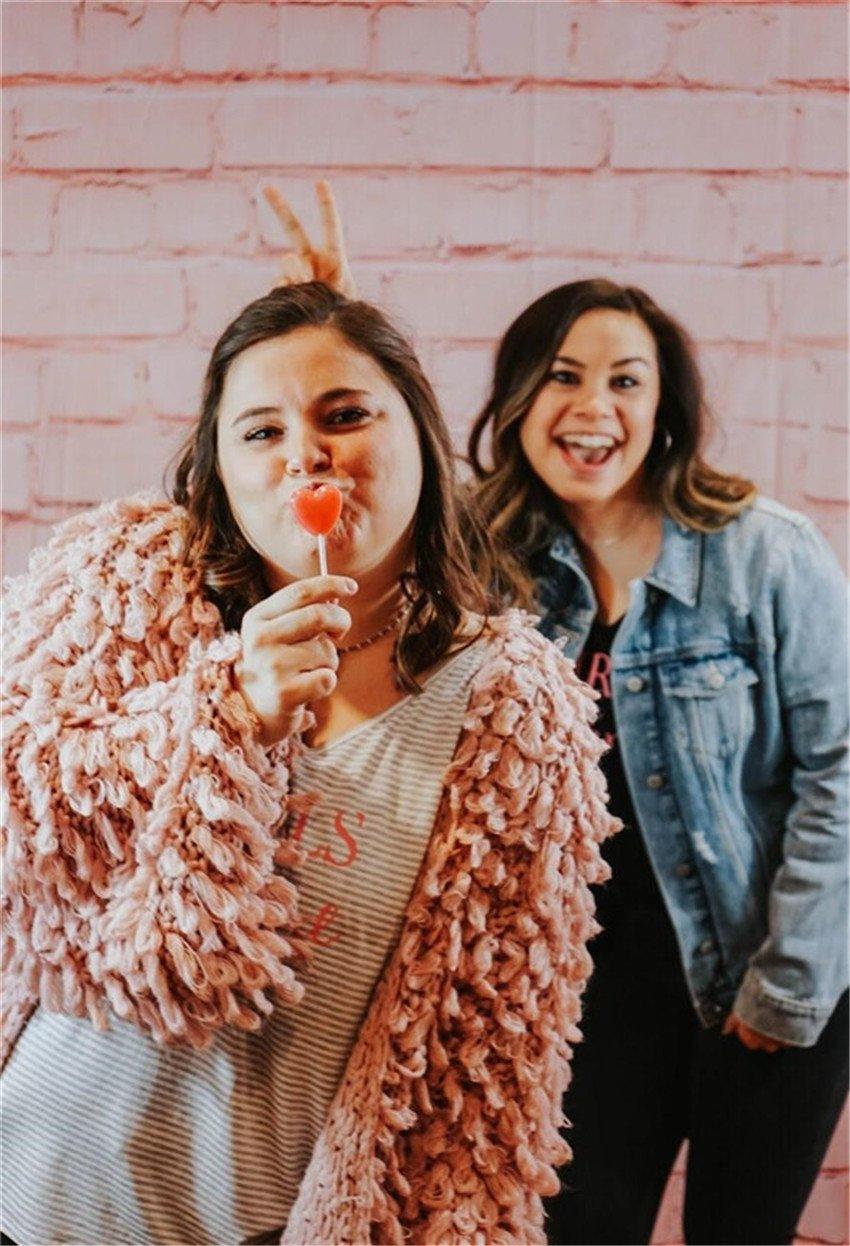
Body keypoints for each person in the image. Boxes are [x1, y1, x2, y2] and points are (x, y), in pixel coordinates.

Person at [0, 253, 618, 1242]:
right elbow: (20, 814)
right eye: (262, 430)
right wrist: (219, 710)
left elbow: (484, 1075)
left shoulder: (514, 713)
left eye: (344, 415)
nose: (306, 454)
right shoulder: (119, 585)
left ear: (418, 431)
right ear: (220, 469)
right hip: (27, 1188)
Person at [465, 278, 849, 1246]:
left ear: (661, 409)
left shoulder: (762, 554)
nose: (593, 407)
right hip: (585, 996)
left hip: (760, 970)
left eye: (625, 381)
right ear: (516, 400)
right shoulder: (492, 563)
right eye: (562, 376)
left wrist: (786, 984)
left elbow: (839, 770)